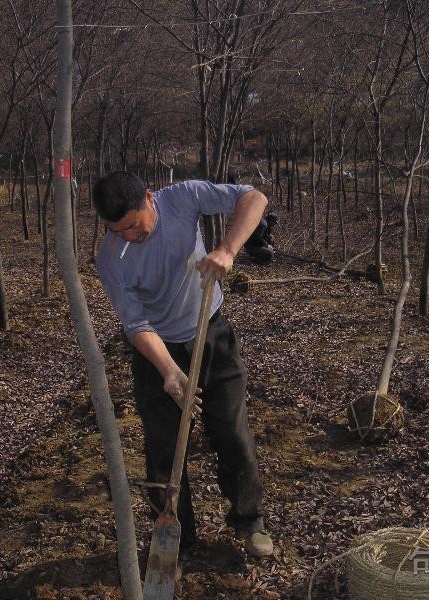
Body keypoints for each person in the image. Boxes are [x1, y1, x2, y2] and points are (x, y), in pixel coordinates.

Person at [92, 171, 274, 559]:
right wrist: (168, 371)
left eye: (132, 226)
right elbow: (135, 324)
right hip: (156, 352)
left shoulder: (182, 198)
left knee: (232, 433)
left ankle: (250, 521)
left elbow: (254, 198)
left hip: (211, 334)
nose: (127, 237)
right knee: (163, 449)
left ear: (149, 198)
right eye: (115, 230)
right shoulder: (111, 258)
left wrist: (227, 249)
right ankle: (176, 539)